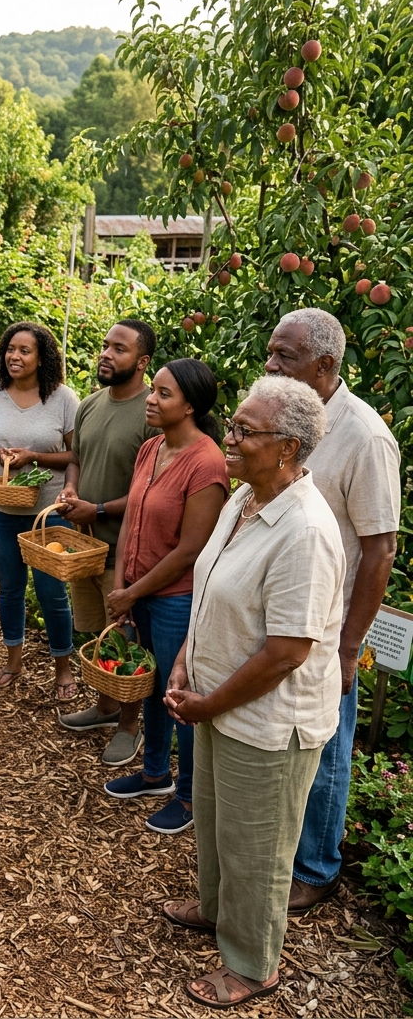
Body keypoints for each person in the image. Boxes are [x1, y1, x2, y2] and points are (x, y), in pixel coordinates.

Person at [162, 375, 344, 1009]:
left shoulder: (306, 531)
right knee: (216, 823)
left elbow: (287, 652)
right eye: (232, 426)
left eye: (244, 431)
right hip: (216, 701)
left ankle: (252, 961)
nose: (228, 439)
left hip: (266, 720)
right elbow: (212, 591)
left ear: (288, 447)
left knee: (258, 847)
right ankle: (217, 909)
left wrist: (208, 702)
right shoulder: (245, 501)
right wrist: (187, 660)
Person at [263, 308, 401, 913]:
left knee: (325, 749)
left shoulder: (365, 435)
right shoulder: (284, 419)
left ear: (325, 365)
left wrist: (349, 647)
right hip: (277, 618)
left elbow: (380, 548)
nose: (269, 364)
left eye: (283, 356)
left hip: (325, 634)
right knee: (282, 742)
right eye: (270, 352)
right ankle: (280, 850)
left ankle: (317, 869)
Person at [102, 359, 229, 835]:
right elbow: (132, 522)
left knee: (178, 694)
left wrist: (133, 590)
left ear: (191, 405)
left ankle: (191, 796)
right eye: (153, 390)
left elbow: (191, 549)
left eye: (164, 393)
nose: (151, 399)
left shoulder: (207, 462)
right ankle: (154, 773)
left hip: (176, 596)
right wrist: (122, 587)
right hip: (139, 590)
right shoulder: (151, 448)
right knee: (149, 684)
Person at [54, 320, 160, 766]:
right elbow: (77, 458)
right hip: (84, 546)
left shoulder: (151, 414)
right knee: (96, 630)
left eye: (120, 348)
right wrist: (72, 491)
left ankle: (129, 726)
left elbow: (151, 489)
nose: (106, 354)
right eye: (105, 345)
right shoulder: (91, 404)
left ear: (142, 361)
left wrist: (96, 511)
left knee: (126, 638)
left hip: (124, 550)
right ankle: (104, 707)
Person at [0, 322, 79, 700]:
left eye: (24, 351)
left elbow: (75, 455)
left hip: (47, 513)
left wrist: (36, 458)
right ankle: (13, 660)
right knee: (10, 588)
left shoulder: (63, 399)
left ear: (41, 357)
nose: (14, 356)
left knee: (52, 591)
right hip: (0, 510)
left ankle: (62, 668)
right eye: (10, 350)